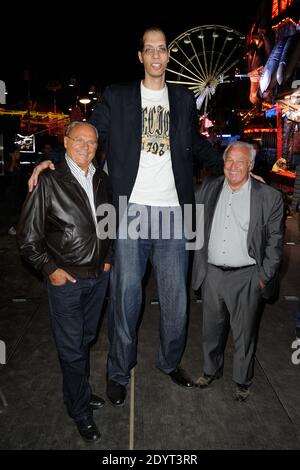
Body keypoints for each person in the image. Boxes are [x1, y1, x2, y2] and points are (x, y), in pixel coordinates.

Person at [28, 27, 260, 406]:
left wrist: (236, 166)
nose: (156, 55)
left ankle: (170, 362)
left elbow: (199, 145)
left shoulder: (184, 99)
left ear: (168, 56)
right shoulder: (117, 96)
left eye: (162, 49)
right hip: (128, 211)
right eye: (149, 49)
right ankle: (119, 371)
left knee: (176, 300)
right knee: (125, 298)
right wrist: (51, 161)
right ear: (140, 56)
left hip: (174, 212)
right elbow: (87, 138)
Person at [17, 121, 112, 442]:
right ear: (67, 142)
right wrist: (50, 268)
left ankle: (78, 393)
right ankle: (80, 410)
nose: (86, 147)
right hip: (66, 281)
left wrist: (108, 258)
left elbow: (107, 222)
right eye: (79, 141)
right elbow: (28, 238)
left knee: (85, 340)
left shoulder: (102, 179)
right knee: (72, 350)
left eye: (92, 143)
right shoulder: (49, 180)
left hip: (98, 278)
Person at [192, 141, 284, 401]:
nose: (233, 166)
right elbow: (194, 220)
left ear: (251, 165)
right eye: (229, 160)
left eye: (240, 162)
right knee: (211, 329)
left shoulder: (268, 196)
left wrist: (264, 277)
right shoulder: (209, 187)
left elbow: (275, 242)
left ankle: (242, 380)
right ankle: (211, 370)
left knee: (244, 334)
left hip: (247, 276)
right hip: (211, 274)